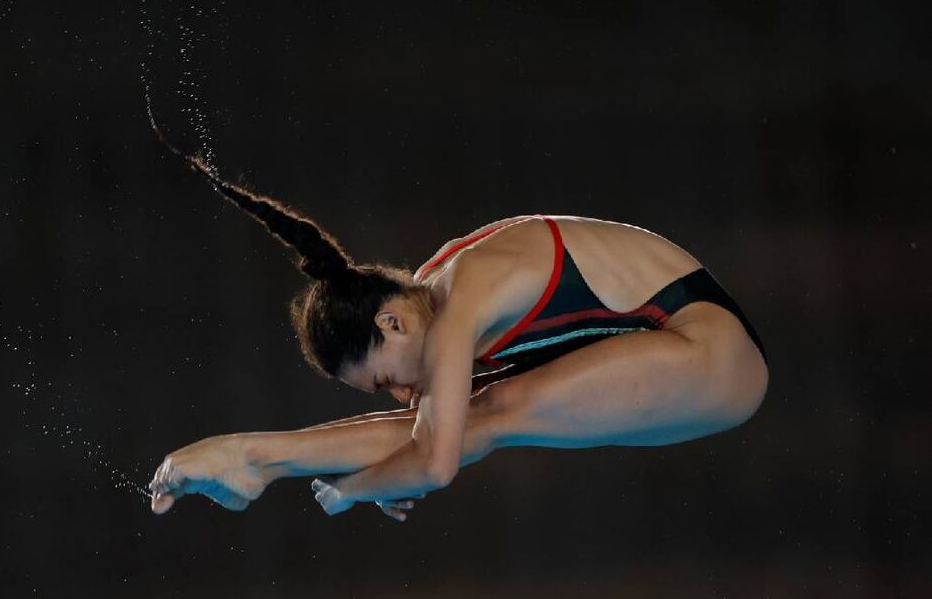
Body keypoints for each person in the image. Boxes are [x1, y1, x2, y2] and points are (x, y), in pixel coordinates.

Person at [147, 155, 769, 522]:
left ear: (392, 322)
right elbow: (423, 442)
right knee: (463, 418)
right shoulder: (431, 297)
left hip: (713, 355)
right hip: (674, 351)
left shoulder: (459, 302)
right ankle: (248, 455)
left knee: (490, 414)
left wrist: (355, 490)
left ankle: (253, 457)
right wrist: (398, 468)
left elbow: (437, 464)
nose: (397, 394)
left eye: (385, 379)